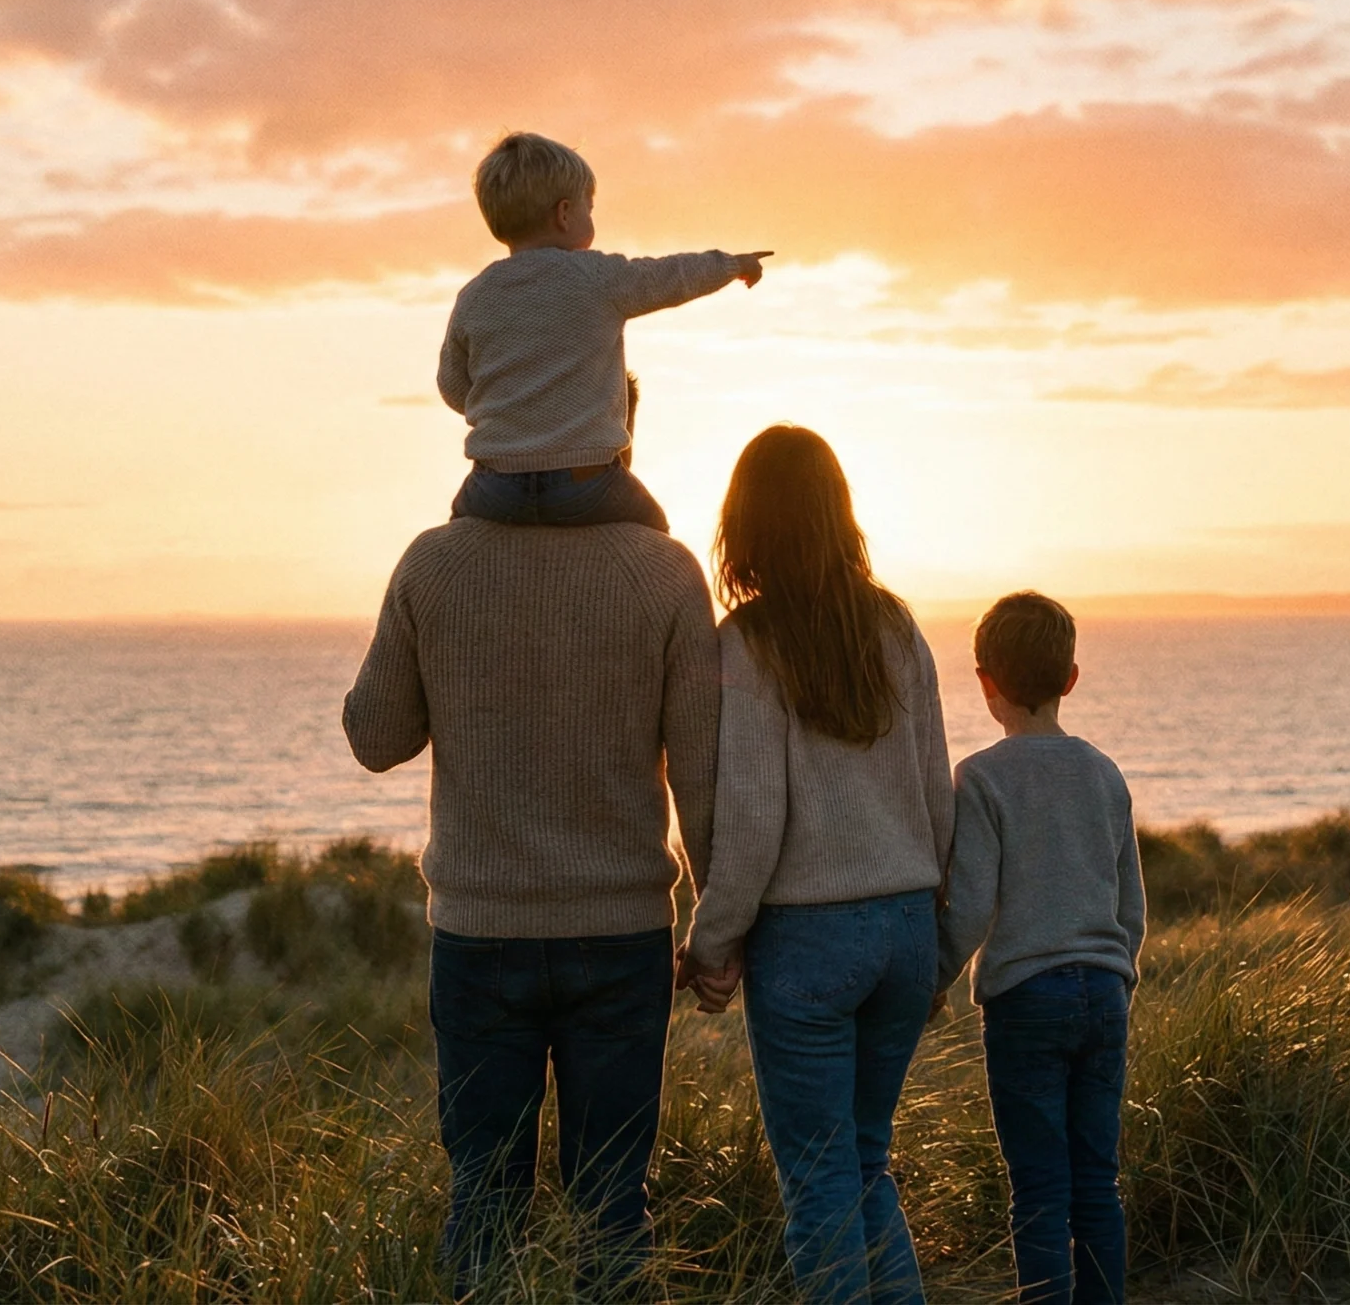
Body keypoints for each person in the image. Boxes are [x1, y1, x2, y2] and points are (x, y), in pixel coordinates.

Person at [342, 513, 721, 1300]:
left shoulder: (435, 564)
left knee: (483, 1202)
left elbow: (375, 736)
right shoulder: (666, 572)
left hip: (482, 935)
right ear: (619, 430)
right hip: (622, 936)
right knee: (613, 1205)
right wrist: (718, 927)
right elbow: (702, 778)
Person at [678, 424, 954, 1305]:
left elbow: (753, 822)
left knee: (821, 1189)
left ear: (744, 525)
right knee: (866, 1166)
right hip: (908, 925)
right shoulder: (897, 626)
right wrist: (938, 943)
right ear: (840, 516)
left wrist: (712, 940)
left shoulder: (746, 645)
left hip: (809, 943)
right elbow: (935, 796)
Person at [936, 591, 1146, 1305]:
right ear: (1071, 678)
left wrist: (933, 978)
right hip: (1105, 992)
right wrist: (1120, 981)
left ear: (985, 681)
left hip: (1027, 998)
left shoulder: (983, 777)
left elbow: (967, 908)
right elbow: (1131, 907)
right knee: (1097, 1183)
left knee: (1039, 1192)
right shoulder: (1104, 772)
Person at [439, 131, 769, 532]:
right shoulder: (597, 277)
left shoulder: (474, 295)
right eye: (588, 208)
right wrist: (733, 264)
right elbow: (671, 276)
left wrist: (510, 408)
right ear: (564, 214)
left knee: (452, 536)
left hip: (494, 486)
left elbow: (453, 385)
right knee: (655, 532)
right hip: (587, 483)